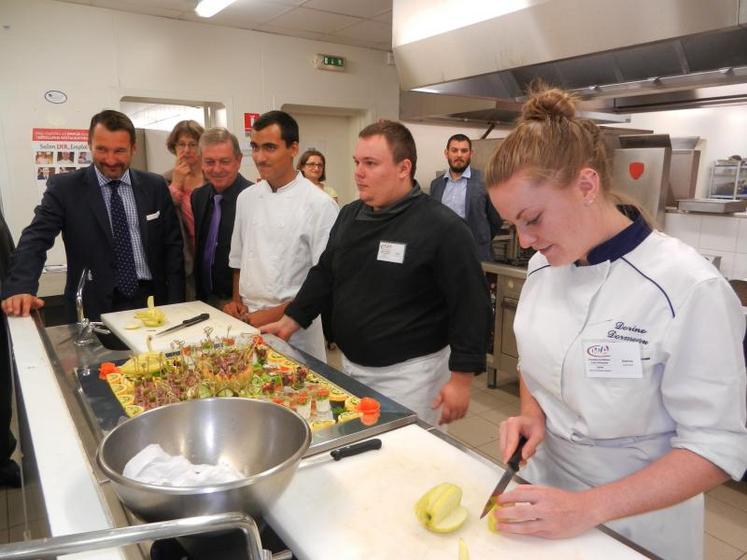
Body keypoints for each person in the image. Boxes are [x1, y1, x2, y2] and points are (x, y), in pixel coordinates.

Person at [486, 86, 747, 560]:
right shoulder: (547, 265)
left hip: (640, 522)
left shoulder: (688, 288)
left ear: (587, 186)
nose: (525, 242)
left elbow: (717, 447)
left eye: (533, 219)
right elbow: (536, 360)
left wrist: (589, 507)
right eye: (513, 226)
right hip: (547, 497)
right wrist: (531, 412)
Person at [262, 120, 491, 425]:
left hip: (411, 377)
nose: (358, 172)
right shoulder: (350, 215)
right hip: (353, 367)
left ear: (403, 168)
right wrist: (292, 320)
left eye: (370, 163)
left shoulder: (443, 227)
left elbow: (471, 306)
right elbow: (325, 273)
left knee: (409, 462)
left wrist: (462, 379)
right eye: (357, 162)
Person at [2, 110, 184, 321]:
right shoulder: (65, 188)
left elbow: (173, 247)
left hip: (152, 302)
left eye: (120, 151)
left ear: (133, 148)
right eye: (102, 149)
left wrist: (177, 303)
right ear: (90, 145)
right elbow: (35, 238)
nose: (111, 159)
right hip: (93, 306)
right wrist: (20, 286)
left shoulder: (154, 185)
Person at [225, 111, 337, 361]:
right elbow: (239, 259)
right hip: (248, 322)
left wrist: (266, 316)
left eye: (270, 148)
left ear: (293, 148)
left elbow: (325, 282)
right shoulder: (247, 198)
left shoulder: (319, 204)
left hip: (295, 326)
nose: (259, 157)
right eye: (255, 147)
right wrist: (237, 302)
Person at [192, 128, 252, 306]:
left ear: (238, 161)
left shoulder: (252, 198)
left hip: (237, 301)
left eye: (224, 161)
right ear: (201, 162)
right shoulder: (198, 196)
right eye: (209, 162)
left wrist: (238, 299)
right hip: (203, 298)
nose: (217, 169)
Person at [429, 134, 502, 262]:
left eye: (464, 151)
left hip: (476, 255)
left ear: (471, 153)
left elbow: (495, 219)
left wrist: (482, 240)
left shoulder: (485, 181)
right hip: (443, 255)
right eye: (454, 150)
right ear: (446, 153)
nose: (459, 155)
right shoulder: (436, 185)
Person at [164, 120, 206, 300]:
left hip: (210, 252)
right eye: (181, 144)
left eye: (192, 144)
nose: (186, 150)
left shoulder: (212, 177)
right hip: (184, 259)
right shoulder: (164, 180)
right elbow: (163, 218)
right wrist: (176, 185)